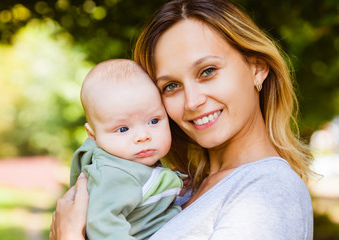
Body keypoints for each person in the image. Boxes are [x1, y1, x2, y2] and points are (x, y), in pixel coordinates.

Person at [50, 0, 314, 239]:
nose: (192, 101)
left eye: (207, 71)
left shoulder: (269, 191)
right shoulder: (181, 188)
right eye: (171, 86)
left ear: (257, 68)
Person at [68, 59, 183, 240]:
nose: (143, 136)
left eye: (153, 121)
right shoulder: (114, 175)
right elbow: (102, 224)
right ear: (93, 135)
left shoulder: (129, 163)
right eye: (123, 129)